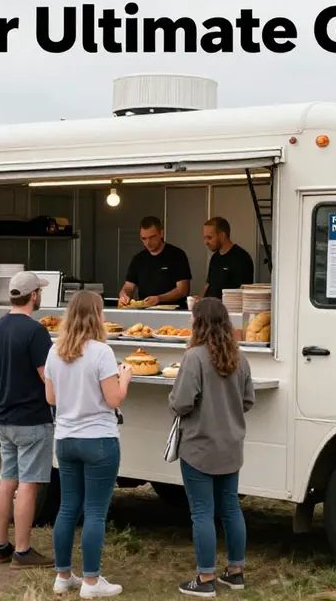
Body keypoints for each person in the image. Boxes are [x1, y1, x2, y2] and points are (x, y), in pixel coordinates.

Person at [44, 290, 131, 598]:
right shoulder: (101, 352)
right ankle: (92, 582)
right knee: (95, 510)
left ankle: (63, 576)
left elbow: (51, 398)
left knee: (68, 507)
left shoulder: (55, 351)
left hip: (66, 438)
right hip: (99, 440)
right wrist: (125, 377)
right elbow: (114, 398)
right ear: (97, 316)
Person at [168, 297, 255, 597]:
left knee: (202, 512)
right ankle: (236, 572)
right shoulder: (239, 357)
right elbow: (248, 401)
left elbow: (180, 403)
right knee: (231, 507)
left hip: (199, 448)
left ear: (200, 323)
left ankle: (205, 579)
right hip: (231, 446)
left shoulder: (194, 358)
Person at [0, 271, 54, 569]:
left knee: (7, 481)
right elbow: (45, 376)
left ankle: (1, 545)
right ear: (34, 296)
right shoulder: (36, 332)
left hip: (3, 414)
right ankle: (23, 550)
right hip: (32, 417)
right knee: (28, 484)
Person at [118, 216, 192, 308]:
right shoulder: (138, 259)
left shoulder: (177, 255)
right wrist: (124, 295)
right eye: (144, 239)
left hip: (173, 311)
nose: (148, 242)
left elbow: (183, 290)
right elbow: (129, 286)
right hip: (145, 311)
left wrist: (159, 298)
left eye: (152, 237)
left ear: (161, 233)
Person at [193, 218, 255, 301]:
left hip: (229, 310)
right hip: (212, 309)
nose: (206, 242)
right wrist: (202, 300)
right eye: (205, 238)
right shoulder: (215, 257)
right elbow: (209, 285)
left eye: (209, 238)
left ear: (222, 235)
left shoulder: (241, 258)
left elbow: (242, 292)